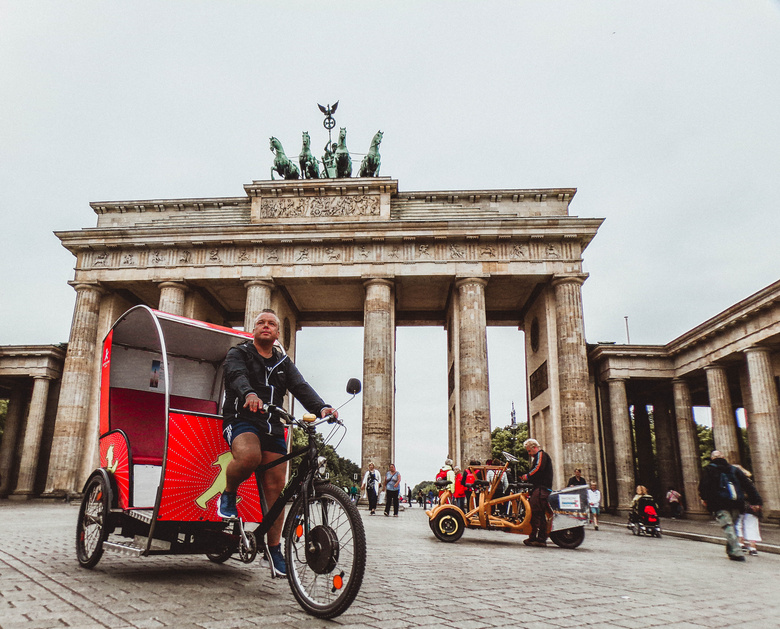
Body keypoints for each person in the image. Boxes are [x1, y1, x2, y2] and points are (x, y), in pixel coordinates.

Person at [219, 309, 337, 577]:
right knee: (250, 457)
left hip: (273, 425)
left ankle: (273, 549)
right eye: (261, 322)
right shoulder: (239, 353)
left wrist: (322, 408)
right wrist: (248, 393)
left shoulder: (284, 362)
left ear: (277, 332)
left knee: (276, 490)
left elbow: (301, 386)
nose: (266, 326)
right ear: (254, 329)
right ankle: (228, 493)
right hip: (240, 419)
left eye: (271, 323)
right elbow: (236, 376)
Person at [698, 450, 761, 562]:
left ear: (712, 458)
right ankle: (732, 550)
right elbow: (748, 485)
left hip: (719, 503)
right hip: (736, 503)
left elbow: (703, 486)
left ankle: (736, 552)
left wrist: (705, 498)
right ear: (723, 457)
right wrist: (756, 501)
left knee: (728, 526)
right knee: (732, 527)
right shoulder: (734, 469)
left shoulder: (709, 470)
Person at [520, 438, 553, 548]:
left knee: (536, 513)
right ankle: (536, 537)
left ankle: (538, 538)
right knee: (538, 513)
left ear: (534, 447)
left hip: (541, 489)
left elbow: (538, 468)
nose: (529, 454)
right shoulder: (539, 456)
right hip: (540, 488)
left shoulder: (541, 455)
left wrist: (527, 476)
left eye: (529, 451)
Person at [734, 465, 763, 556]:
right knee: (752, 525)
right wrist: (757, 503)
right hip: (751, 505)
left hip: (738, 505)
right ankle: (753, 547)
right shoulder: (748, 480)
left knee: (738, 524)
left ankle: (741, 544)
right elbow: (754, 493)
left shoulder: (733, 481)